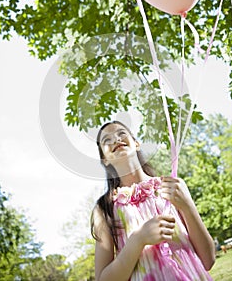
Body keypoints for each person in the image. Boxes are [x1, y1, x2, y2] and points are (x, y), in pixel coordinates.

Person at [91, 120, 215, 281]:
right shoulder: (105, 209)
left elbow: (208, 260)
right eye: (107, 140)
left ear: (136, 143)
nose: (115, 139)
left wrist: (188, 207)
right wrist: (138, 239)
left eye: (121, 133)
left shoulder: (171, 186)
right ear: (104, 159)